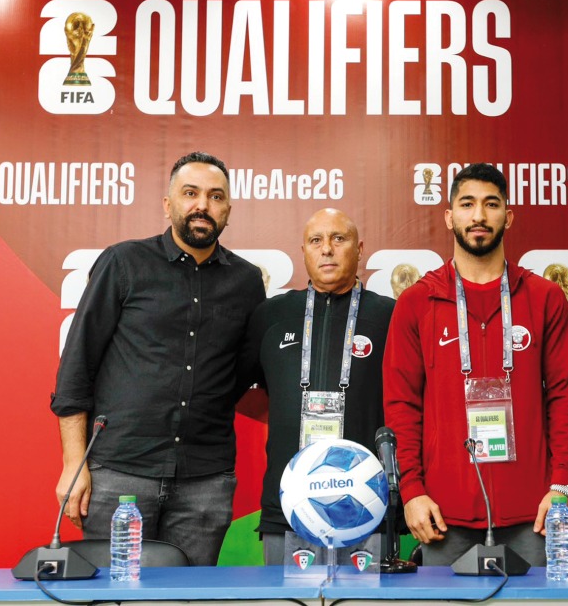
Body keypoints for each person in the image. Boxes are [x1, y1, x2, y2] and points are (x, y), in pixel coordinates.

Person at [50, 151, 266, 566]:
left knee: (190, 601)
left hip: (206, 479)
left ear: (228, 211)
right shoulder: (124, 262)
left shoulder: (246, 281)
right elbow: (77, 365)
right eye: (190, 193)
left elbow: (240, 373)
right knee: (112, 597)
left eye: (215, 196)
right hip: (119, 473)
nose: (202, 205)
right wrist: (74, 464)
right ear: (168, 204)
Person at [383, 163, 568, 567]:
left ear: (508, 216)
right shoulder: (417, 302)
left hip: (534, 514)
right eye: (467, 204)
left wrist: (561, 484)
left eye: (491, 204)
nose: (479, 216)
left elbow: (567, 399)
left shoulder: (544, 298)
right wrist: (412, 491)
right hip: (441, 514)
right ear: (449, 216)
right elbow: (401, 406)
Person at [236, 208, 395, 564]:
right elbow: (228, 388)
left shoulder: (391, 317)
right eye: (316, 241)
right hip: (289, 510)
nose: (327, 249)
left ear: (360, 249)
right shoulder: (271, 316)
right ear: (303, 250)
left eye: (339, 239)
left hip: (367, 507)